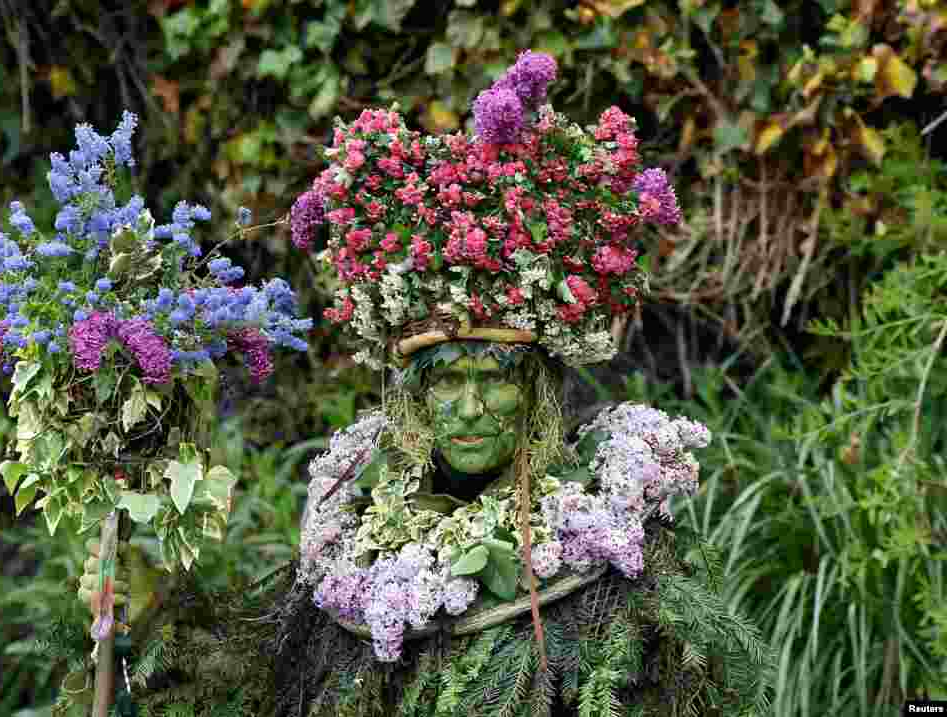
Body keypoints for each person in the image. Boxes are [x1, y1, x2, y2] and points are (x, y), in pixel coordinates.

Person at [60, 51, 774, 716]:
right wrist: (141, 619)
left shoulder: (616, 564)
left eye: (491, 380)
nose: (467, 408)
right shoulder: (356, 550)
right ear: (412, 398)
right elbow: (248, 692)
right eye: (445, 381)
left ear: (536, 395)